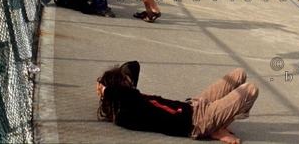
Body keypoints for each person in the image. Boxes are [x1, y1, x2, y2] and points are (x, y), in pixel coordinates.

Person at [97, 61, 258, 144]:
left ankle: (218, 126)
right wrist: (106, 91)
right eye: (126, 81)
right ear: (118, 90)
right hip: (199, 121)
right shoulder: (127, 113)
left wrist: (108, 90)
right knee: (250, 89)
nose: (131, 82)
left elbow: (133, 65)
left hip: (194, 104)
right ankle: (216, 128)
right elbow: (126, 95)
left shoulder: (130, 97)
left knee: (239, 74)